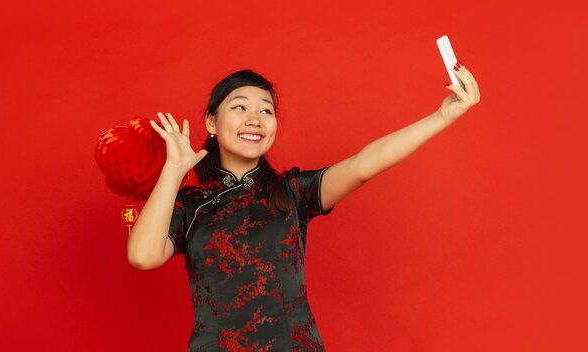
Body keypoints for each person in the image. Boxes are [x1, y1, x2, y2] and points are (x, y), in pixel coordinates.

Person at [127, 67, 480, 351]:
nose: (255, 119)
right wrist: (173, 172)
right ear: (211, 122)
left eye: (266, 110)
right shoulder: (191, 205)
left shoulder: (292, 192)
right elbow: (143, 256)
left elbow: (363, 164)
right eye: (240, 107)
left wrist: (441, 116)